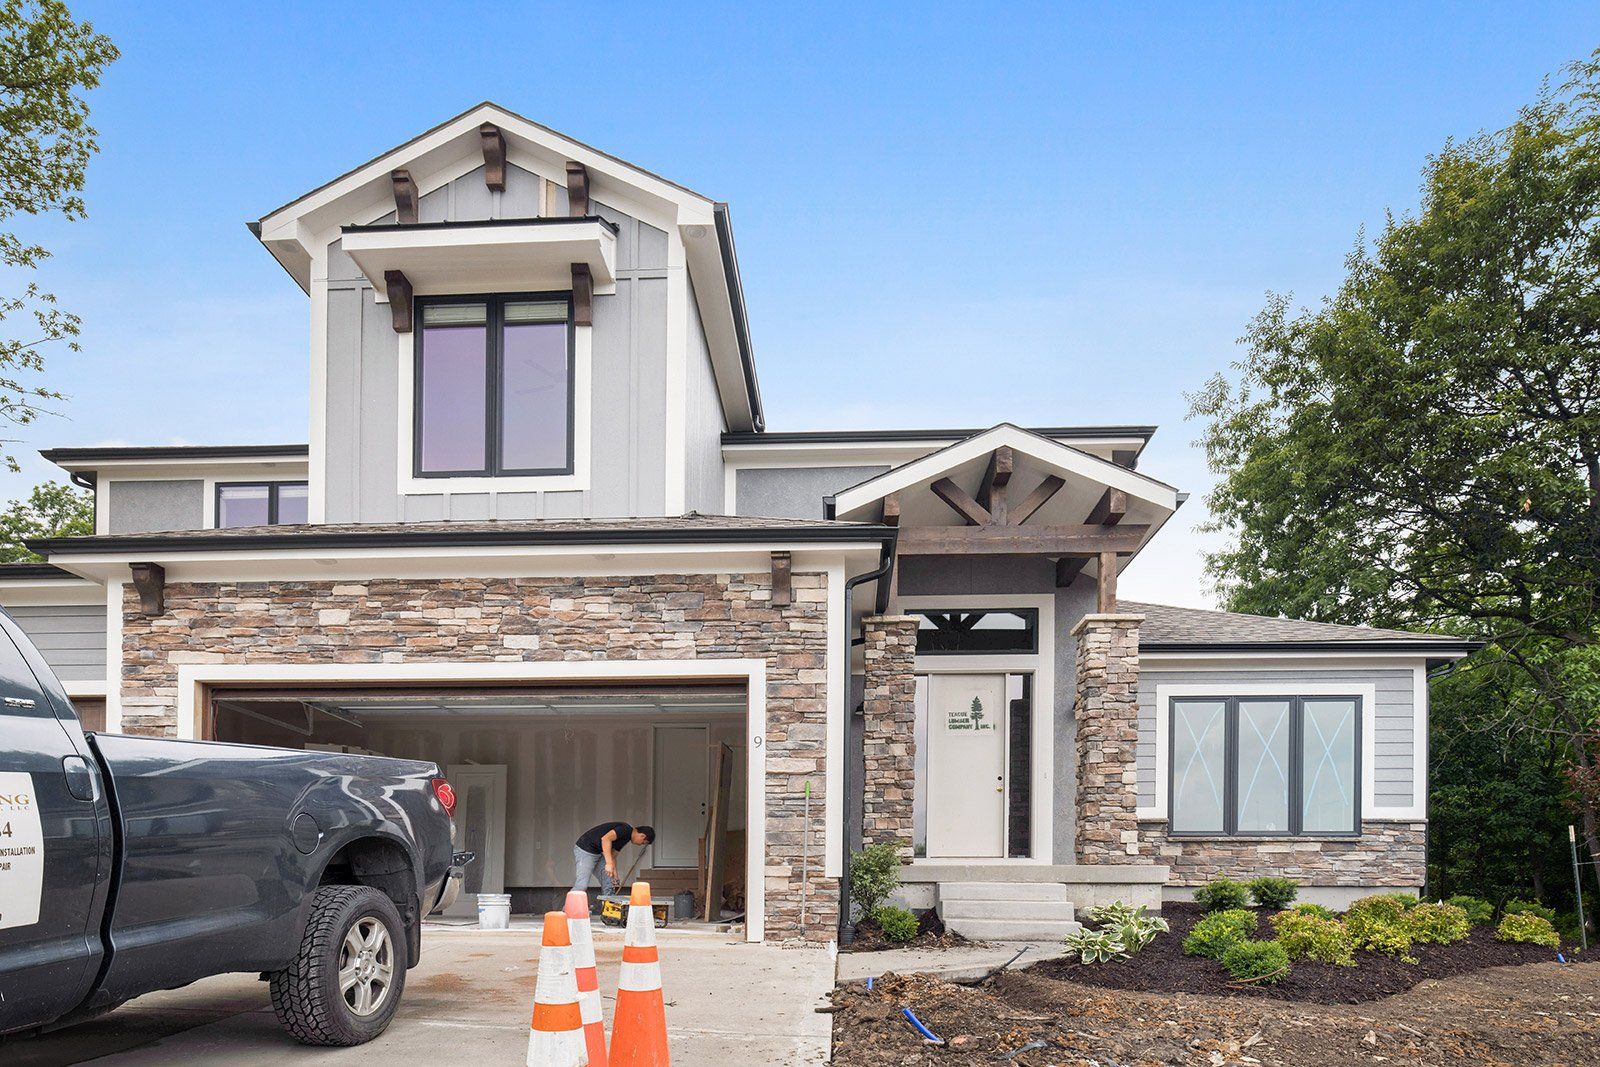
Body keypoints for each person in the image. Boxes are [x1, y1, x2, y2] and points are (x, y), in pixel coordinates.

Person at [573, 820, 655, 896]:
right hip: (586, 849)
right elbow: (605, 839)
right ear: (642, 836)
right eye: (643, 842)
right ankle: (567, 910)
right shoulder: (625, 829)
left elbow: (612, 855)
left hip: (598, 852)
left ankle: (608, 910)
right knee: (581, 885)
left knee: (609, 884)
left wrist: (615, 876)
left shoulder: (626, 838)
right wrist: (608, 864)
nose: (640, 844)